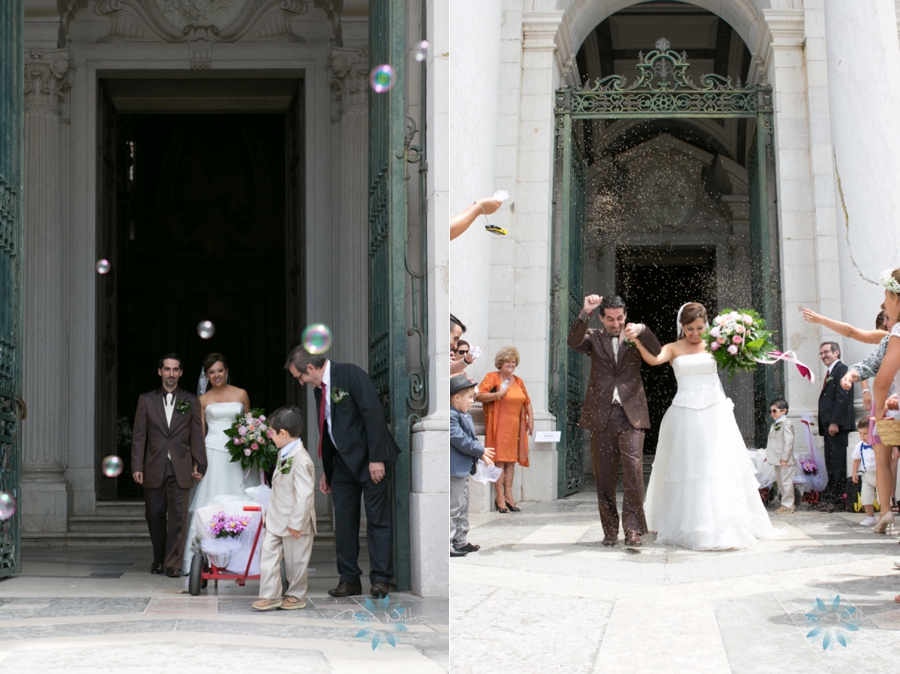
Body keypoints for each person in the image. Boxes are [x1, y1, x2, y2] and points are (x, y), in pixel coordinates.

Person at [630, 303, 777, 550]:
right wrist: (637, 341)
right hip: (685, 414)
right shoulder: (673, 348)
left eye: (699, 327)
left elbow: (742, 356)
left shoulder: (716, 344)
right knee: (690, 467)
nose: (695, 333)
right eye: (690, 328)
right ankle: (690, 525)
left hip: (715, 412)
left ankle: (724, 525)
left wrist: (746, 339)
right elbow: (654, 360)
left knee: (716, 465)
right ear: (682, 326)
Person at [285, 346, 400, 598]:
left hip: (370, 460)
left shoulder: (350, 375)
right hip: (342, 465)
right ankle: (349, 580)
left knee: (377, 519)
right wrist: (328, 469)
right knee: (344, 523)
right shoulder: (319, 390)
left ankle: (381, 579)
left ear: (311, 368)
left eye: (300, 376)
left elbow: (373, 414)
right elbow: (328, 429)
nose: (301, 381)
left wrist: (377, 458)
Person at [567, 295, 661, 547]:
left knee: (633, 472)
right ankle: (610, 530)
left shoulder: (634, 337)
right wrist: (585, 311)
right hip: (602, 416)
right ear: (601, 317)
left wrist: (642, 330)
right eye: (610, 318)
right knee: (604, 476)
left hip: (631, 416)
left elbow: (657, 352)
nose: (615, 323)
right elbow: (573, 341)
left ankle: (633, 530)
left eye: (619, 318)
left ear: (625, 316)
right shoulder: (594, 337)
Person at [180, 353, 260, 573]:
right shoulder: (203, 400)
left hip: (238, 456)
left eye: (220, 370)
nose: (216, 375)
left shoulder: (241, 394)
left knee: (241, 502)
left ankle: (243, 560)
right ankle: (207, 559)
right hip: (213, 454)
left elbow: (250, 425)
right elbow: (199, 433)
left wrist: (253, 450)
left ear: (227, 371)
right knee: (211, 504)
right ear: (206, 376)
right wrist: (198, 462)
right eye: (211, 372)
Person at [131, 354, 206, 577]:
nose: (171, 374)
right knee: (154, 514)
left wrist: (200, 463)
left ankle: (173, 563)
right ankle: (158, 559)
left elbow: (196, 434)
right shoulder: (146, 400)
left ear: (181, 372)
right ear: (160, 371)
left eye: (175, 370)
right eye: (167, 369)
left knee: (178, 518)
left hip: (180, 466)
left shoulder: (190, 400)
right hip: (154, 465)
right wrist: (137, 465)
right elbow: (139, 435)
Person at [252, 406, 316, 611]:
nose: (269, 436)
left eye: (271, 432)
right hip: (277, 518)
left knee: (296, 562)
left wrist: (297, 522)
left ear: (283, 433)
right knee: (268, 555)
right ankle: (270, 595)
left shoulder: (302, 459)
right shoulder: (284, 453)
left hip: (295, 521)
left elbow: (304, 495)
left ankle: (296, 595)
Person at [477, 347, 533, 514]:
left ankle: (509, 495)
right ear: (500, 363)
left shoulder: (518, 380)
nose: (511, 364)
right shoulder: (492, 377)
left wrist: (531, 420)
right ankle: (499, 497)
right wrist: (498, 394)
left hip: (516, 427)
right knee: (500, 461)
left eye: (513, 361)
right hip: (499, 425)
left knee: (511, 462)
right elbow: (479, 395)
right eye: (508, 361)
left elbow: (527, 401)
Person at [450, 375, 495, 557]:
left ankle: (461, 540)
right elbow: (460, 439)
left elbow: (470, 438)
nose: (472, 401)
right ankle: (449, 542)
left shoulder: (464, 415)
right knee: (453, 506)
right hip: (455, 469)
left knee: (462, 505)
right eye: (469, 397)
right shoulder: (451, 416)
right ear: (456, 398)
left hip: (464, 468)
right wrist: (480, 450)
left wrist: (480, 453)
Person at [872, 266, 900, 535]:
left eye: (887, 296)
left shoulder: (899, 331)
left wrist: (879, 407)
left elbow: (882, 380)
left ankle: (886, 511)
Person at [766, 398, 796, 514]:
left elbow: (789, 441)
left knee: (786, 482)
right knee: (780, 482)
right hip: (777, 459)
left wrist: (785, 458)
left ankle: (788, 505)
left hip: (784, 460)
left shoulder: (786, 423)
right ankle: (785, 503)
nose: (772, 414)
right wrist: (769, 454)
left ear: (784, 411)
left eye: (774, 411)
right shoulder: (776, 424)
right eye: (771, 412)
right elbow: (774, 442)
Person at [851, 418, 878, 527]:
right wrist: (854, 472)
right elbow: (857, 460)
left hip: (879, 473)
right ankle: (870, 517)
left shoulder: (878, 445)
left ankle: (884, 515)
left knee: (882, 497)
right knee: (866, 497)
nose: (862, 436)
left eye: (865, 433)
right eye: (860, 433)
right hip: (867, 474)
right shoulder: (859, 446)